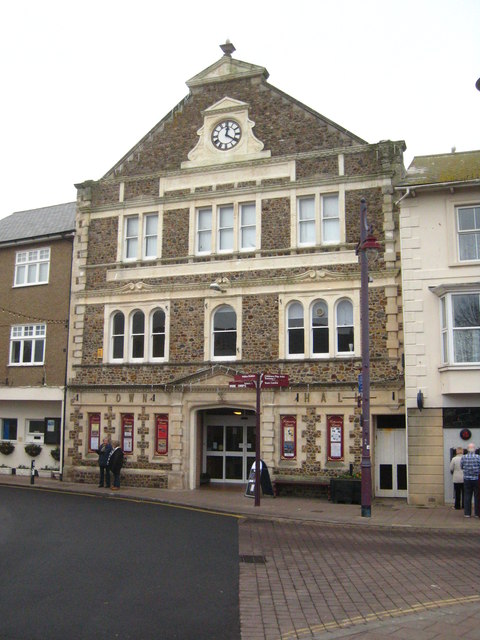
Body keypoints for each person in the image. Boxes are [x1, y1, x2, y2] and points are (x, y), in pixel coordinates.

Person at [460, 443, 480, 517]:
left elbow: (461, 466)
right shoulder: (478, 457)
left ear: (467, 449)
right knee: (477, 496)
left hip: (467, 479)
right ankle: (477, 513)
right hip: (476, 479)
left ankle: (467, 513)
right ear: (474, 449)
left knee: (467, 496)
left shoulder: (464, 457)